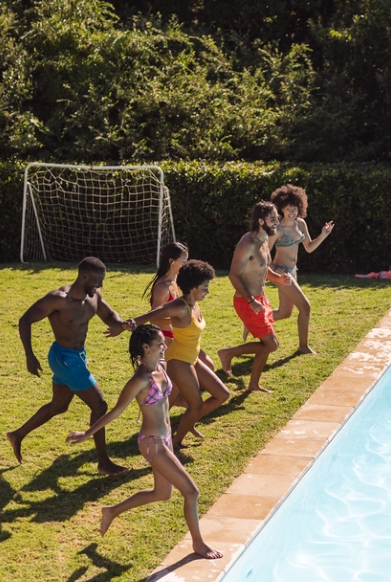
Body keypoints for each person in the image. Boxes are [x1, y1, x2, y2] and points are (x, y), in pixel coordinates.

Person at [67, 324, 223, 559]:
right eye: (160, 343)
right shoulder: (139, 380)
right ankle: (199, 544)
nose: (164, 347)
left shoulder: (162, 367)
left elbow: (168, 400)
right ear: (145, 347)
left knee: (162, 494)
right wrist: (87, 434)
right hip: (152, 443)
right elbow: (116, 411)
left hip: (166, 438)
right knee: (191, 492)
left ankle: (111, 511)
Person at [6, 257, 129, 476]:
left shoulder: (94, 297)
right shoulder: (58, 299)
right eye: (98, 280)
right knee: (99, 406)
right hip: (64, 358)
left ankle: (17, 435)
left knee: (59, 406)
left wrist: (123, 325)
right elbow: (25, 320)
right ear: (84, 276)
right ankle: (103, 462)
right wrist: (29, 356)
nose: (100, 285)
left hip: (77, 356)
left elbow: (109, 316)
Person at [124, 260, 229, 448]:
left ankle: (187, 423)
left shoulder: (193, 302)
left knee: (222, 394)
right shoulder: (180, 306)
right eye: (205, 287)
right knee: (195, 404)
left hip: (192, 357)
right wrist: (127, 325)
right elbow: (150, 315)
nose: (208, 291)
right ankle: (174, 444)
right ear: (193, 287)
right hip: (179, 361)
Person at [217, 201, 292, 393]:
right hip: (247, 301)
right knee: (272, 344)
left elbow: (262, 268)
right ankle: (227, 353)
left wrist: (279, 279)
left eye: (277, 218)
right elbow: (233, 275)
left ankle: (253, 384)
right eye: (273, 218)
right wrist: (251, 301)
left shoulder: (265, 239)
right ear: (260, 221)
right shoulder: (248, 243)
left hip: (261, 299)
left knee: (266, 344)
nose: (277, 222)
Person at [267, 184, 334, 354]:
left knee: (284, 313)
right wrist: (275, 272)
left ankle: (255, 319)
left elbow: (309, 247)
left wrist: (324, 234)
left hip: (293, 271)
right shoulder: (277, 228)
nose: (292, 211)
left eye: (295, 208)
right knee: (305, 307)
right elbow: (264, 254)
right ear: (281, 208)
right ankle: (303, 347)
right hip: (281, 272)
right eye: (288, 208)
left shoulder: (301, 224)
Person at [143, 241, 189, 345]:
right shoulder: (162, 288)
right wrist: (179, 318)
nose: (186, 265)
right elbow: (153, 319)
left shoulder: (175, 279)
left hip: (178, 333)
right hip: (165, 337)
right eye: (183, 262)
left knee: (207, 362)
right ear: (172, 261)